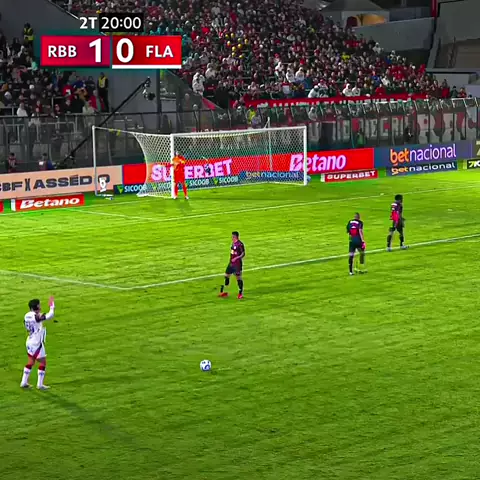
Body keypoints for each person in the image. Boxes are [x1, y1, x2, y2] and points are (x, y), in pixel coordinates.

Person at [20, 297, 56, 390]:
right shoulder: (34, 316)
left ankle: (24, 382)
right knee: (43, 362)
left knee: (31, 362)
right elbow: (49, 316)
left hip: (30, 341)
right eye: (39, 305)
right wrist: (52, 306)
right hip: (36, 343)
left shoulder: (27, 315)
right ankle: (40, 384)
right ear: (35, 307)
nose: (40, 307)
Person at [219, 231, 245, 299]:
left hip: (237, 264)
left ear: (235, 236)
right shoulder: (233, 243)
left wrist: (236, 258)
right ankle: (224, 292)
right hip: (231, 263)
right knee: (226, 276)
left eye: (232, 236)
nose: (231, 237)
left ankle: (240, 293)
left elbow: (243, 254)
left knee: (238, 278)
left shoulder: (240, 244)